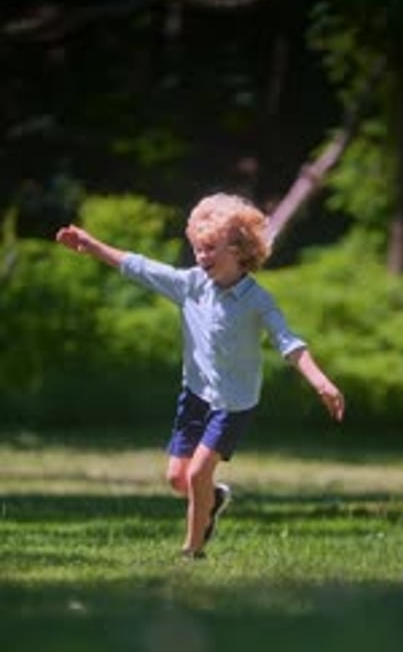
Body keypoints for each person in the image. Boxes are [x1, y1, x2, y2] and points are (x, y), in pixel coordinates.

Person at [55, 192, 345, 559]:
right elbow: (140, 267)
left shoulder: (258, 301)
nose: (201, 256)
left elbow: (290, 344)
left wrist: (320, 381)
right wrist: (92, 245)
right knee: (178, 478)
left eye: (210, 249)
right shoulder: (190, 285)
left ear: (239, 250)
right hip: (195, 394)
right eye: (198, 248)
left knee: (196, 476)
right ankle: (215, 498)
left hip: (233, 402)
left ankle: (192, 552)